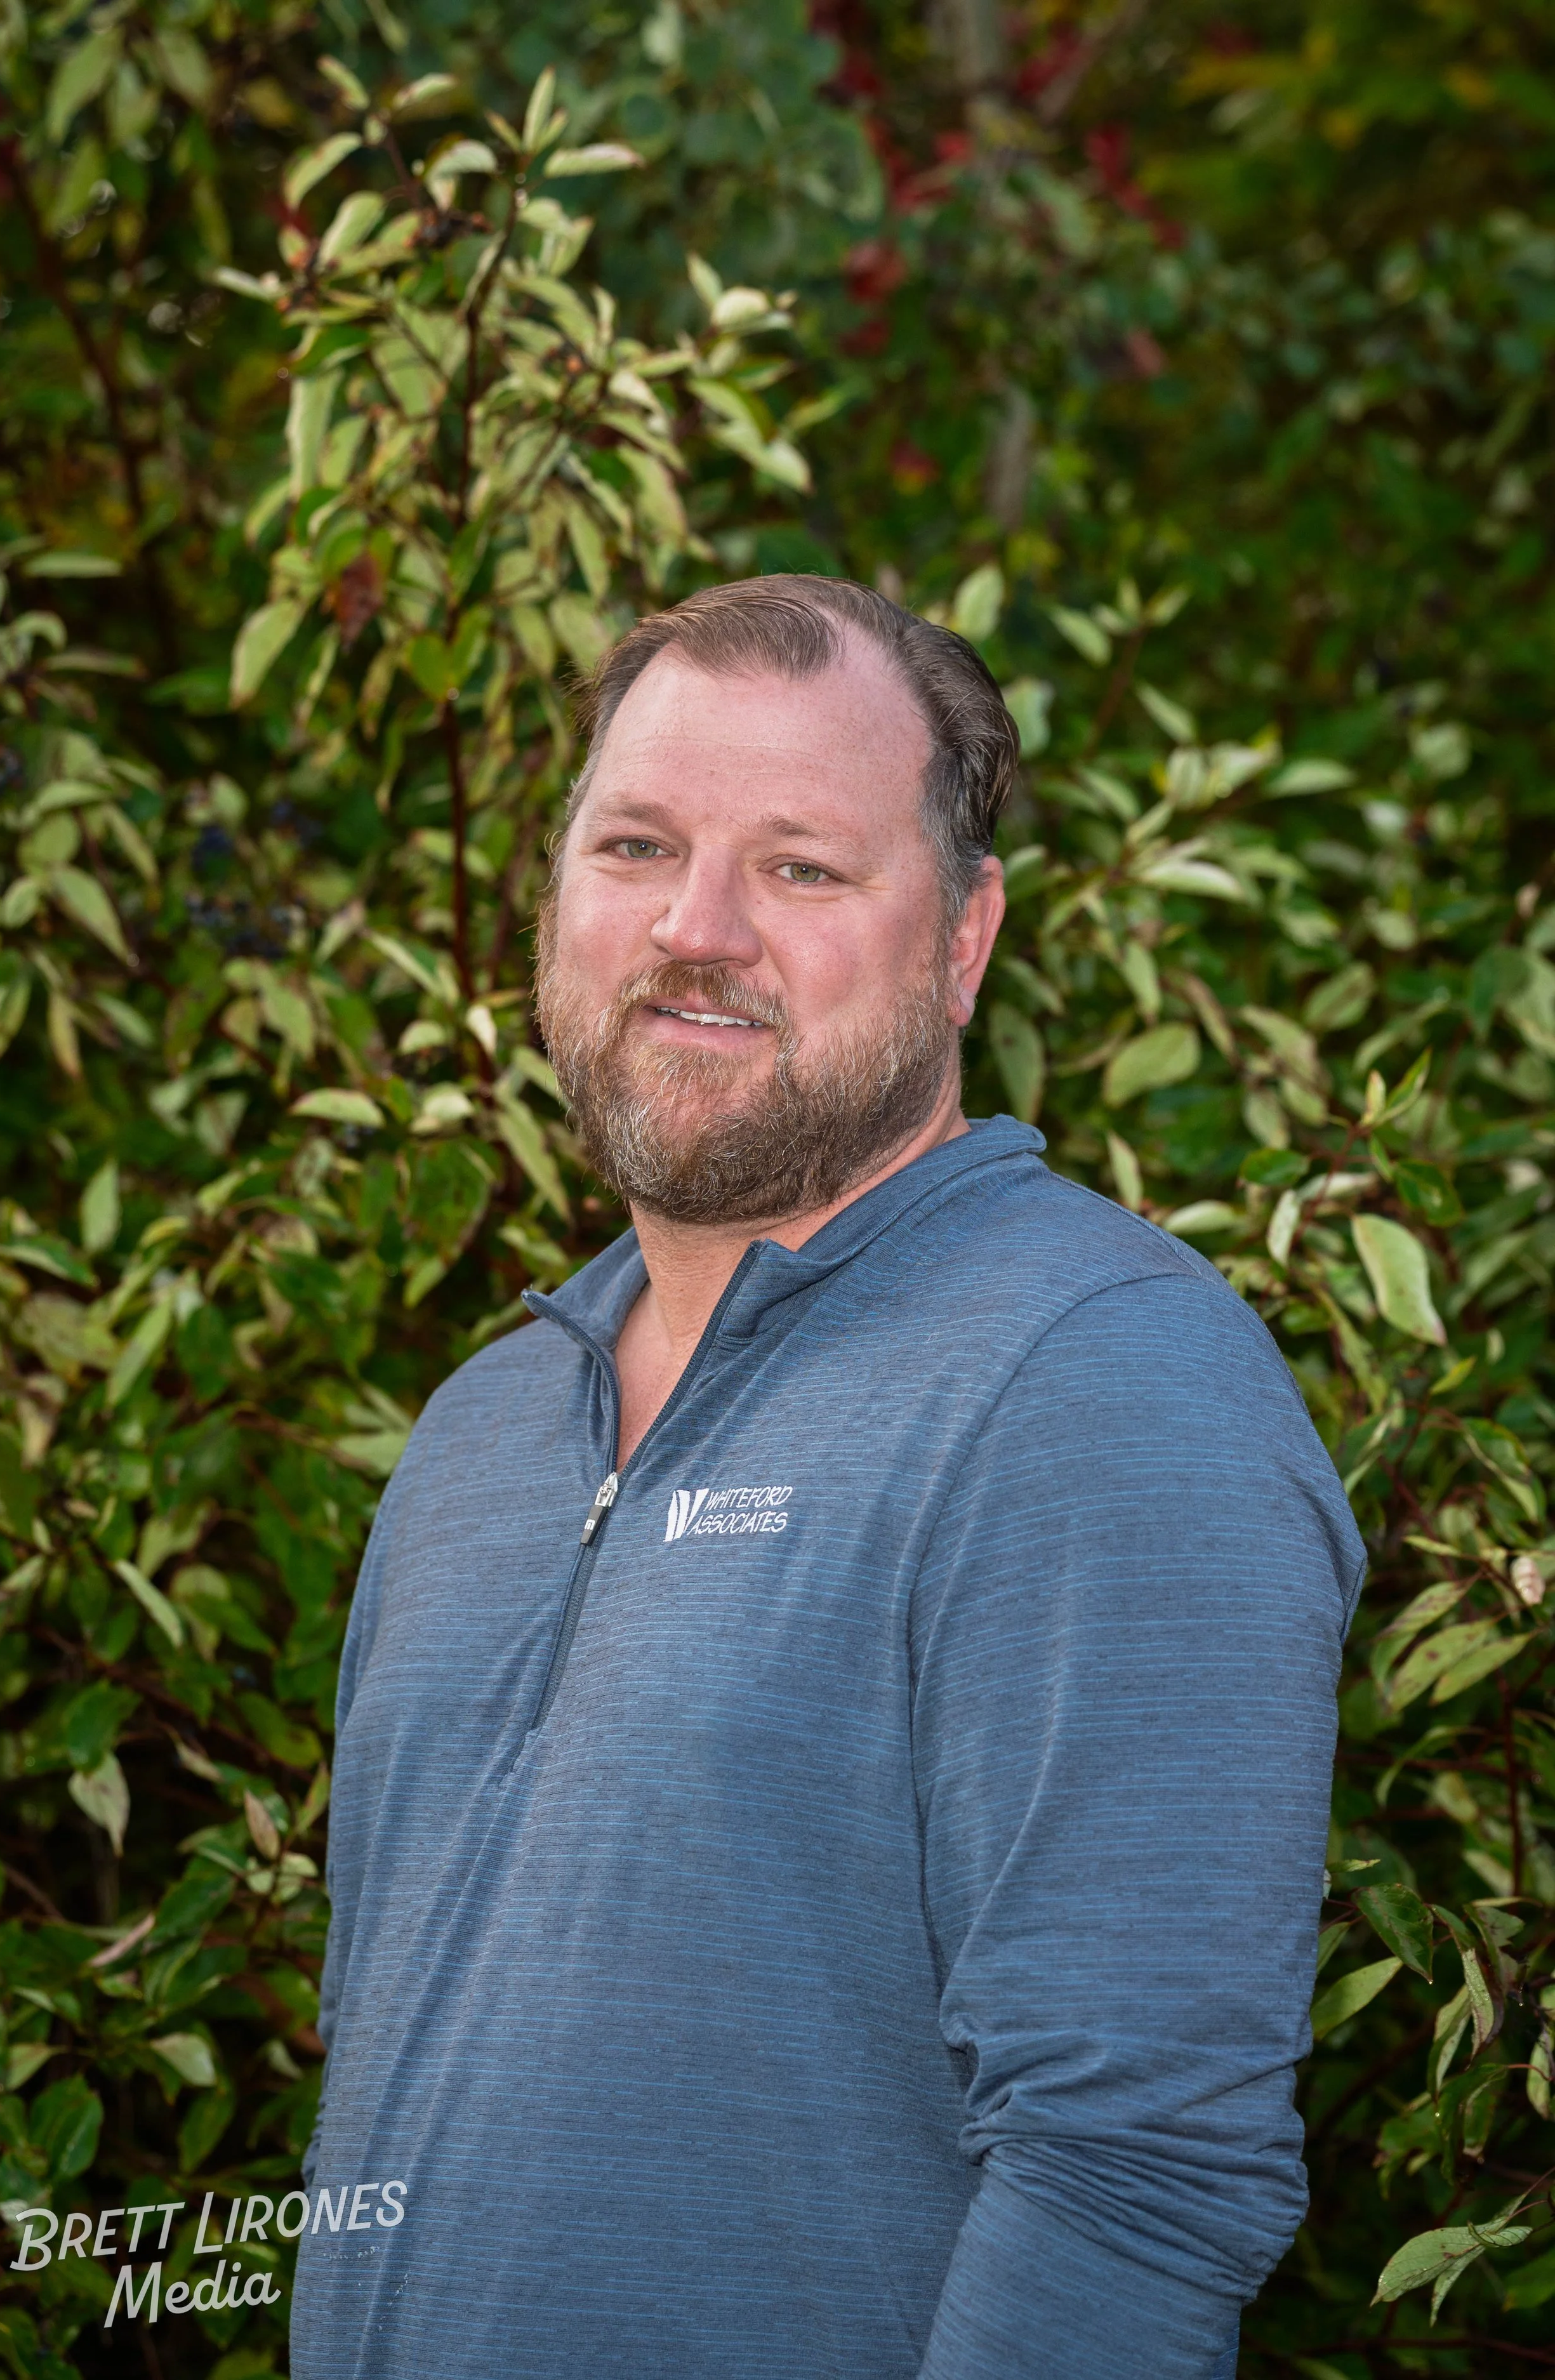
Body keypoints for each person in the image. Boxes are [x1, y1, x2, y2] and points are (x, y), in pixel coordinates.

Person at [290, 576, 1365, 2380]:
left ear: (962, 937)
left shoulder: (1099, 1377)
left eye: (798, 867)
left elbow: (1137, 2183)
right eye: (634, 844)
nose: (693, 927)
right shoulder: (481, 1428)